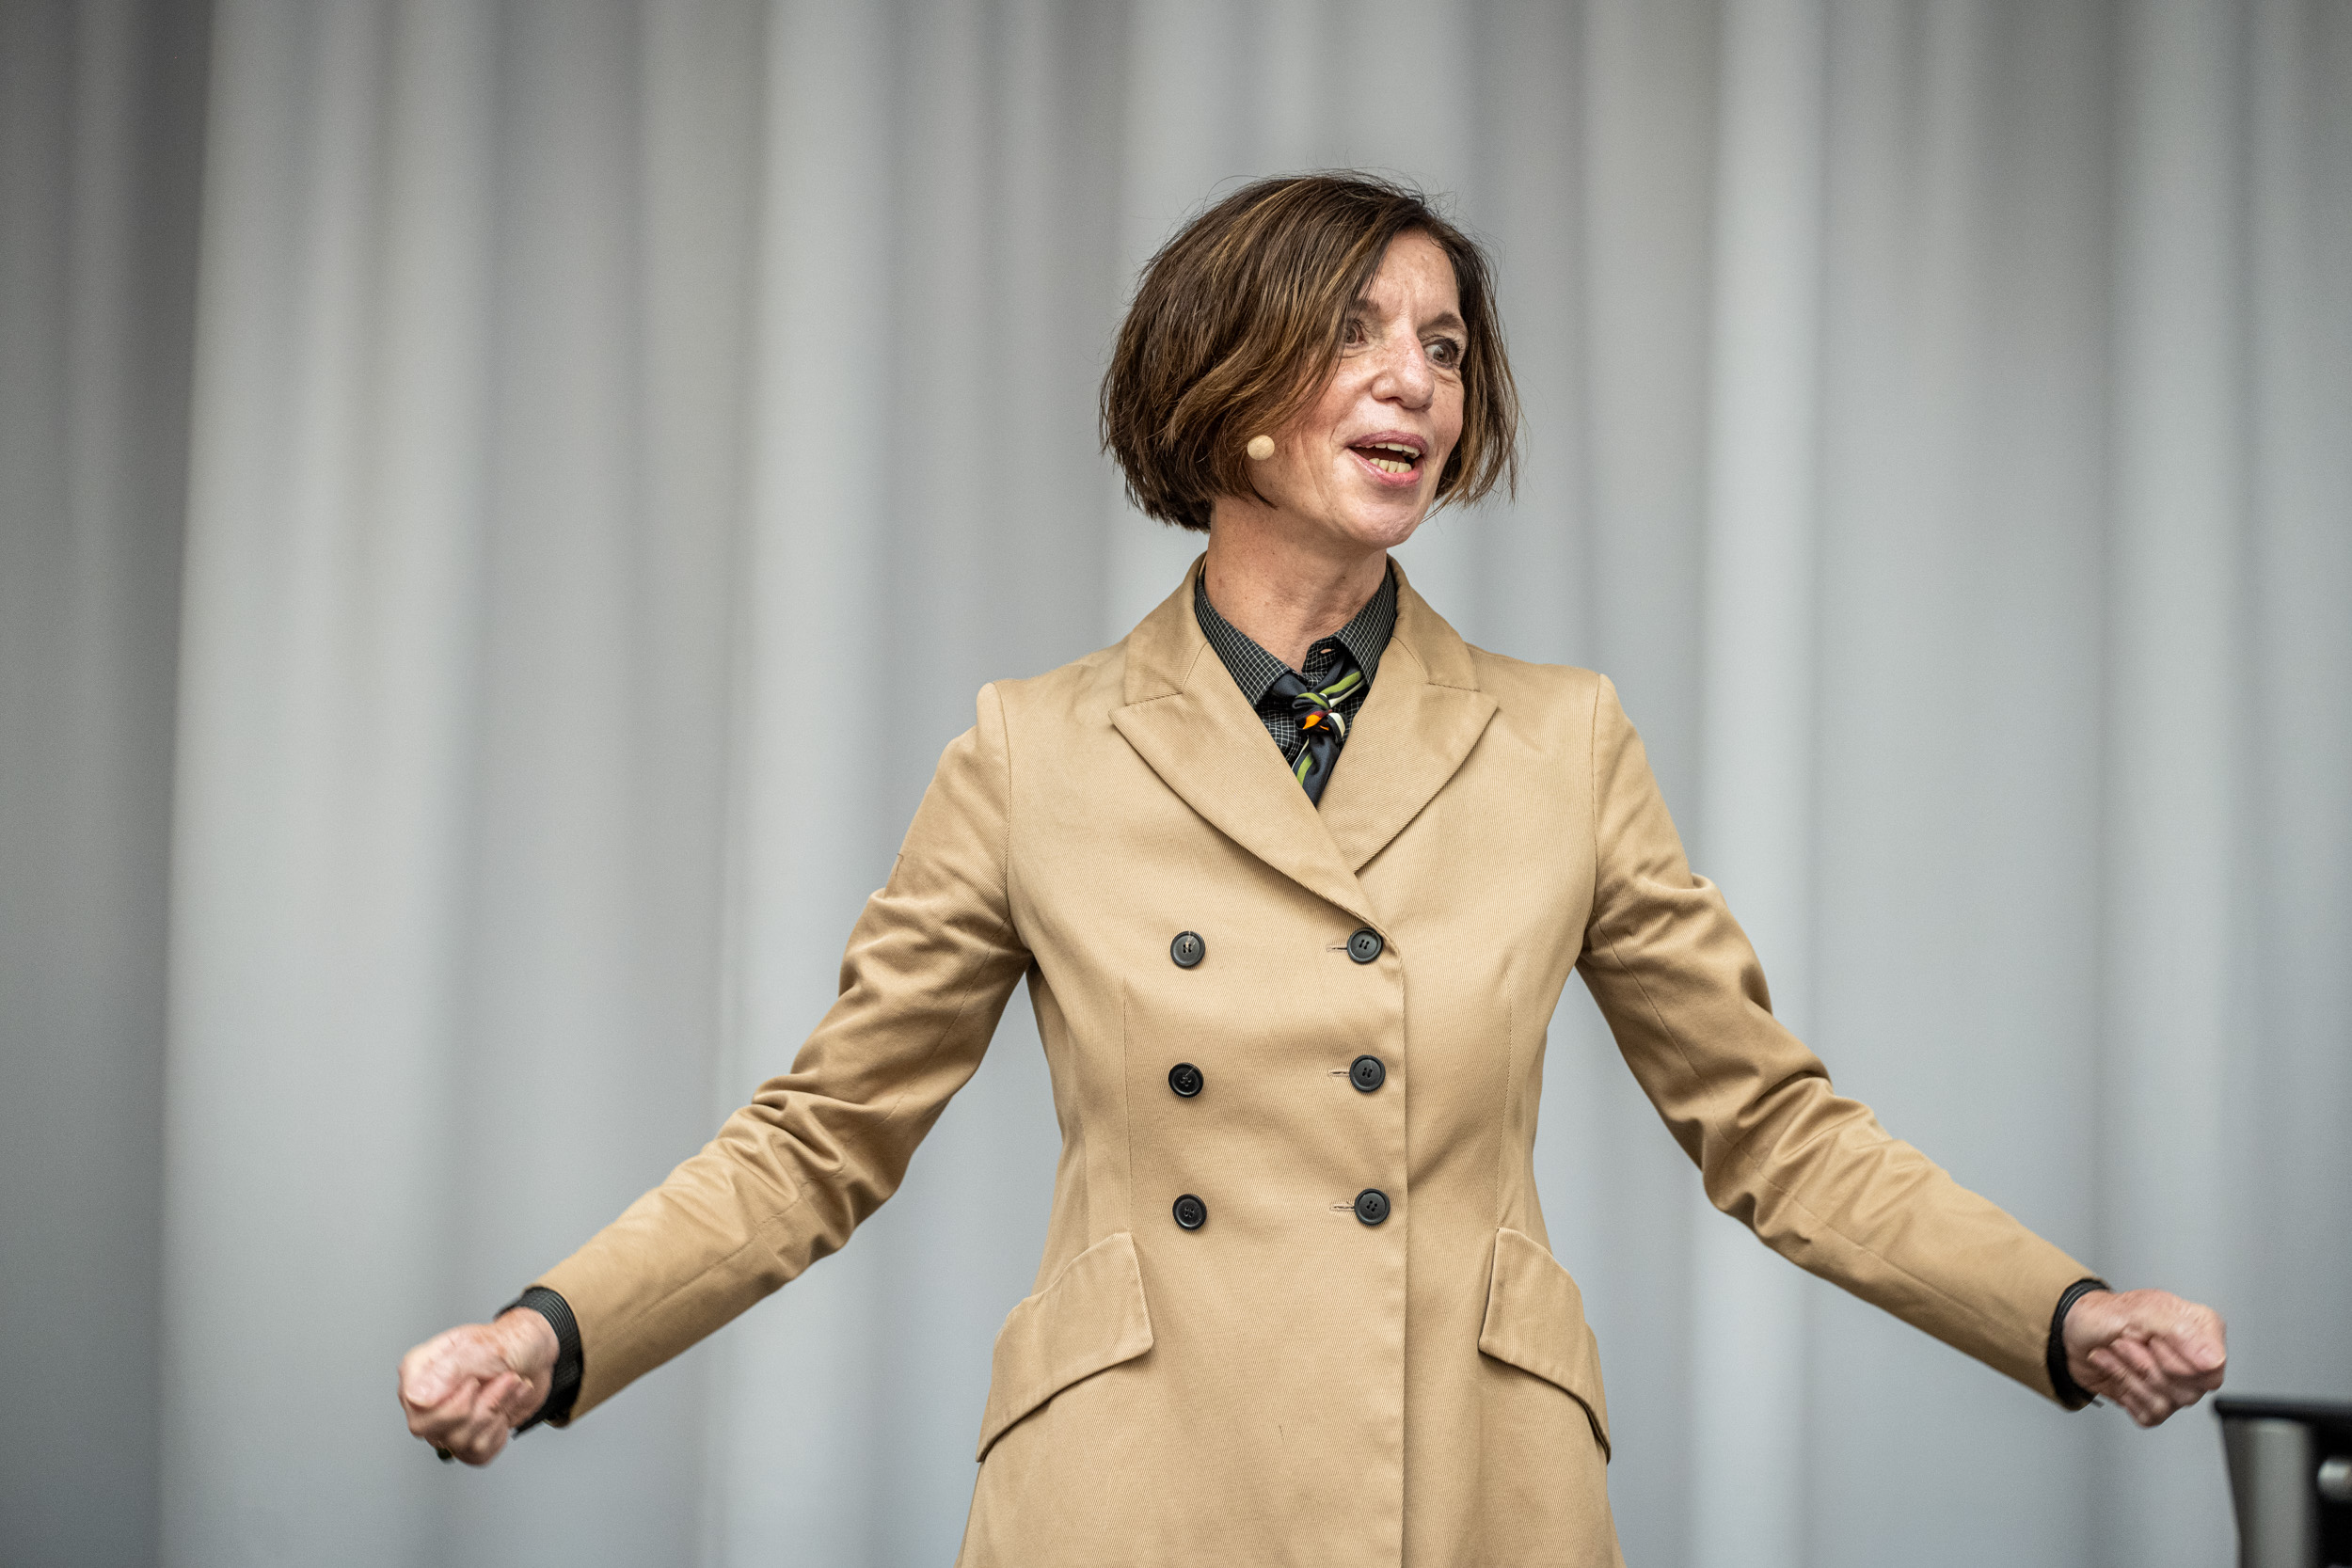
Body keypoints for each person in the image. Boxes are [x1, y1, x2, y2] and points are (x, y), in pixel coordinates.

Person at [399, 173, 2226, 1565]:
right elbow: (822, 1138)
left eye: (1444, 345)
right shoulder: (1035, 750)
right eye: (1355, 331)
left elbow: (1772, 1128)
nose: (1412, 378)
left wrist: (2063, 1316)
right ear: (1223, 381)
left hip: (1474, 1485)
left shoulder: (1560, 740)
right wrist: (551, 1336)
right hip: (1130, 1489)